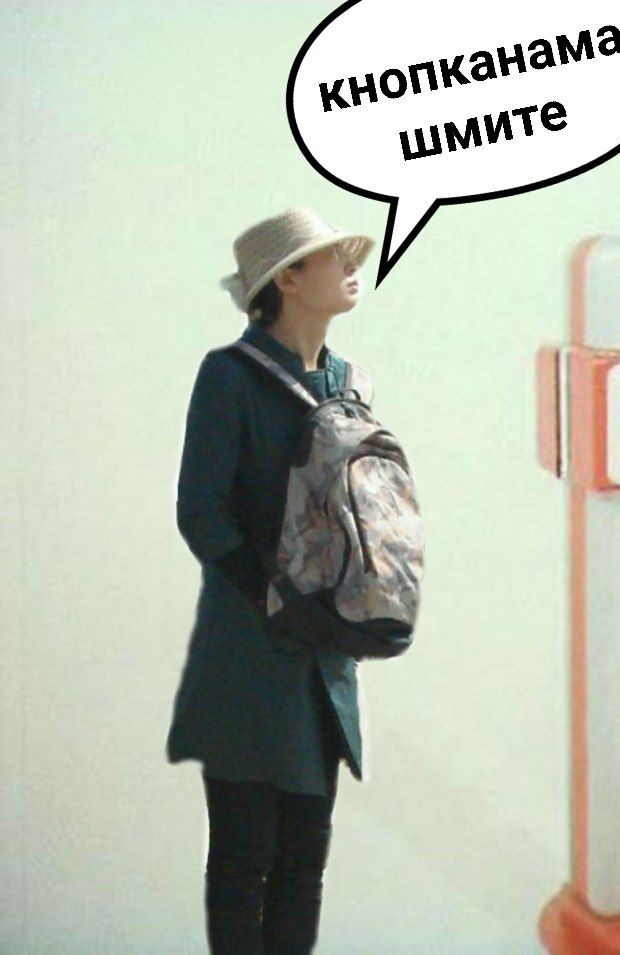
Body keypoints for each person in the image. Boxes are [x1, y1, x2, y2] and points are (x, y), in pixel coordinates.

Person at [167, 207, 375, 954]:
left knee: (303, 864)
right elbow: (202, 514)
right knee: (243, 858)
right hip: (249, 657)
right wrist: (280, 600)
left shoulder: (349, 383)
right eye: (331, 256)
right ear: (287, 278)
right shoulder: (228, 376)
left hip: (325, 660)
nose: (351, 267)